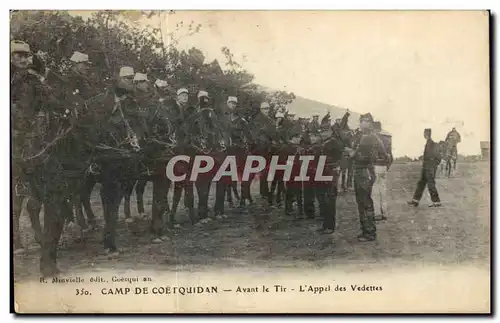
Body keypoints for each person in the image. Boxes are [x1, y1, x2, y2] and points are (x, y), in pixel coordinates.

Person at [344, 113, 381, 242]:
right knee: (363, 202)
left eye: (364, 121)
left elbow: (364, 157)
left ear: (369, 123)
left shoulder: (367, 138)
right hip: (365, 171)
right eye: (361, 121)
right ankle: (366, 230)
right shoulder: (369, 136)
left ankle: (369, 232)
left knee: (365, 202)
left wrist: (351, 153)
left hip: (363, 171)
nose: (361, 124)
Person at [407, 128, 442, 207]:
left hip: (429, 168)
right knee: (421, 183)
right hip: (426, 167)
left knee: (430, 184)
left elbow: (438, 158)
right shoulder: (429, 143)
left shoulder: (432, 144)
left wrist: (433, 165)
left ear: (427, 134)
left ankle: (436, 202)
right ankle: (415, 201)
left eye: (425, 133)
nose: (424, 134)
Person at [372, 121, 393, 221]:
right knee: (383, 190)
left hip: (375, 166)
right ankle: (384, 212)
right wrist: (387, 166)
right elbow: (390, 156)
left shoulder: (372, 139)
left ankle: (377, 213)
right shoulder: (387, 139)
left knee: (375, 191)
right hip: (384, 167)